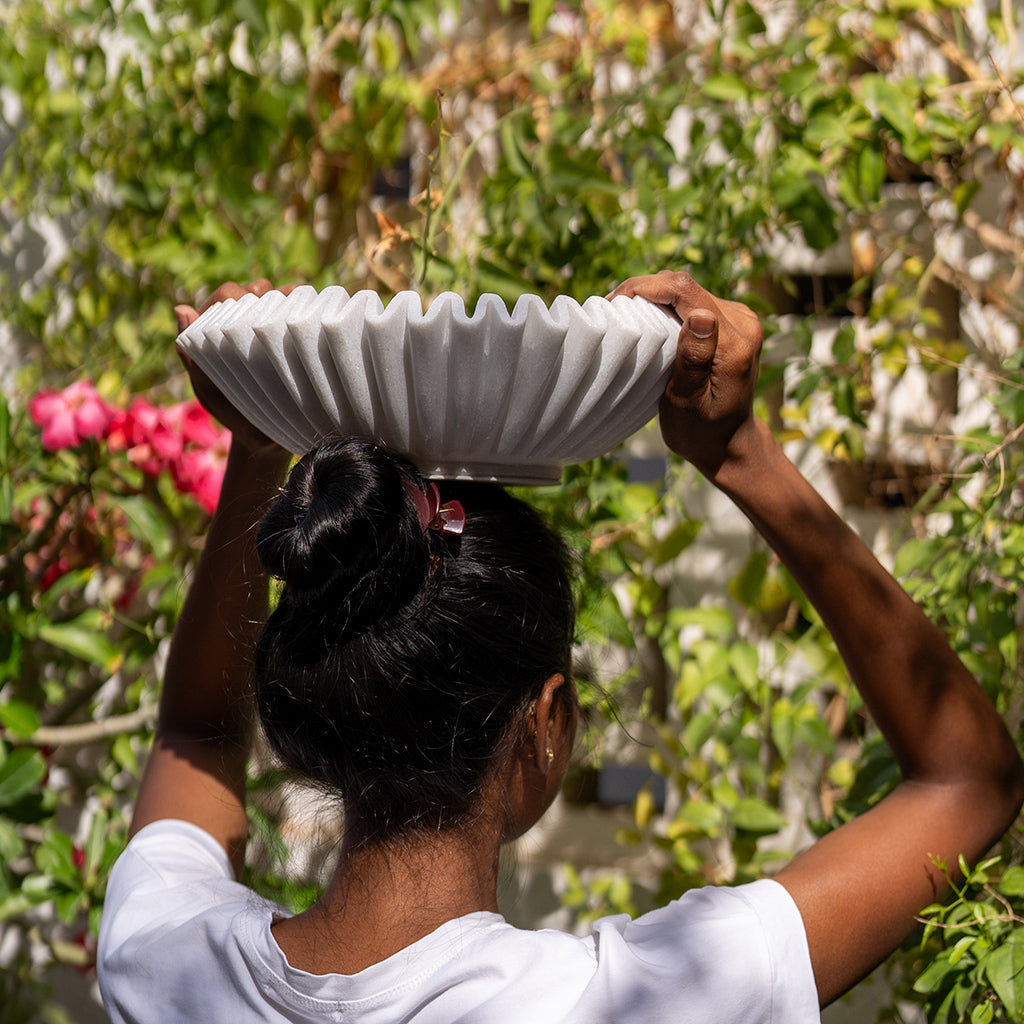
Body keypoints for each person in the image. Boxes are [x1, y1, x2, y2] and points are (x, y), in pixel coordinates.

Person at [97, 272, 1024, 1024]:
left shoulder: (167, 965)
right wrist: (739, 449)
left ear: (308, 703)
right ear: (545, 725)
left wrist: (262, 441)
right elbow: (969, 780)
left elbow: (196, 731)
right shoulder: (633, 1003)